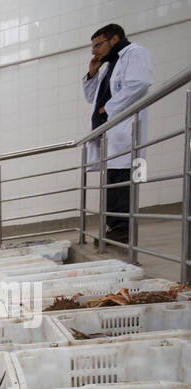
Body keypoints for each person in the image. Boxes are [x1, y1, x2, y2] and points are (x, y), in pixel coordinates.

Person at [83, 23, 153, 245]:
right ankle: (115, 227)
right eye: (93, 47)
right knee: (113, 182)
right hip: (111, 136)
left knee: (123, 181)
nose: (95, 51)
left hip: (126, 133)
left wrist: (109, 107)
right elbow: (91, 97)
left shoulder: (135, 53)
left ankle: (122, 230)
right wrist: (92, 74)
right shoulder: (109, 66)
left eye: (98, 45)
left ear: (114, 39)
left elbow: (140, 84)